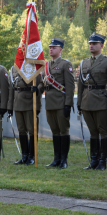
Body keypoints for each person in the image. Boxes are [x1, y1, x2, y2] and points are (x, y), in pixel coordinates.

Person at [41, 37, 75, 169]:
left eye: (54, 47)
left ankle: (64, 160)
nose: (51, 49)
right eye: (50, 47)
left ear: (60, 49)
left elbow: (70, 87)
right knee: (55, 131)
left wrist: (68, 104)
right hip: (49, 103)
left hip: (61, 103)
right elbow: (43, 84)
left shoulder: (66, 64)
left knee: (63, 131)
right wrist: (37, 88)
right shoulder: (46, 65)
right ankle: (56, 159)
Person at [77, 32, 107, 170]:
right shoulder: (84, 63)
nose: (91, 46)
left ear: (101, 45)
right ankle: (94, 160)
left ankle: (102, 161)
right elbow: (81, 84)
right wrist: (79, 104)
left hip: (101, 101)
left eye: (94, 43)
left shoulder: (105, 61)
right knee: (93, 132)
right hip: (86, 101)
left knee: (103, 131)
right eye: (90, 43)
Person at [7, 66, 43, 165]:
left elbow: (41, 83)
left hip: (30, 102)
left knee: (32, 130)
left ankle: (32, 156)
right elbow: (11, 88)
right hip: (17, 103)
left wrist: (38, 89)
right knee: (21, 130)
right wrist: (9, 106)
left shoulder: (35, 66)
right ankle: (24, 156)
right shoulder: (14, 68)